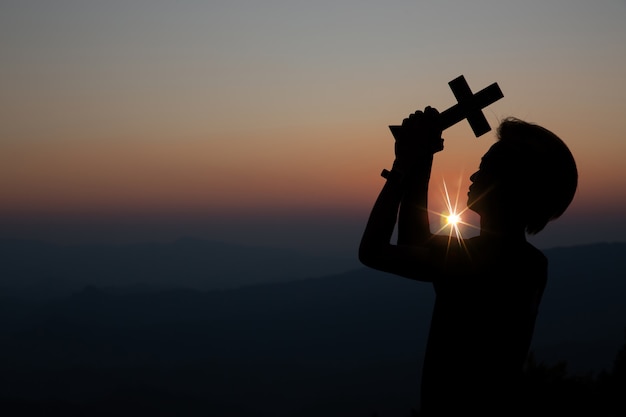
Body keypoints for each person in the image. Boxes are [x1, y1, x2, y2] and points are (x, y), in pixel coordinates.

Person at [358, 106, 578, 416]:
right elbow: (416, 244)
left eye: (487, 168)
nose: (475, 175)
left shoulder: (487, 260)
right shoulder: (526, 263)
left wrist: (403, 166)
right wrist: (422, 158)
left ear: (512, 184)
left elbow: (373, 251)